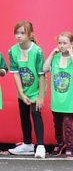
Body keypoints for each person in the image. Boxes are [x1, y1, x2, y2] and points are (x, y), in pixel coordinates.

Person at [7, 21, 47, 158]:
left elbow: (42, 76)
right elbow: (16, 74)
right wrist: (22, 93)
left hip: (36, 90)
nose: (19, 36)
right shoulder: (12, 51)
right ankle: (28, 144)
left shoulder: (37, 51)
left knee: (36, 114)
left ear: (30, 34)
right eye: (17, 33)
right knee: (24, 116)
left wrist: (41, 97)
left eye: (22, 33)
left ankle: (40, 146)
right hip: (23, 90)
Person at [43, 31, 73, 159]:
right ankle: (60, 143)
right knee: (57, 123)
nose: (62, 45)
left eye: (65, 43)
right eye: (59, 43)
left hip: (69, 100)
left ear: (71, 44)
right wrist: (52, 53)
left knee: (68, 124)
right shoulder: (55, 58)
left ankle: (69, 146)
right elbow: (44, 69)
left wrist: (71, 54)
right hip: (57, 100)